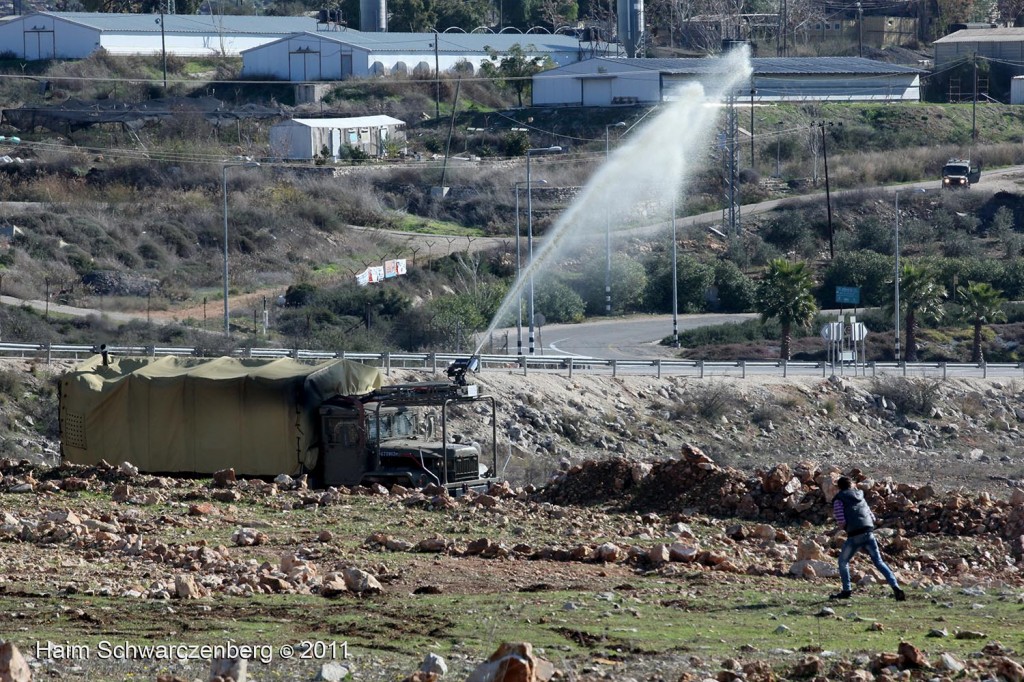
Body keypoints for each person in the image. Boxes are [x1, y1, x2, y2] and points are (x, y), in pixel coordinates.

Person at [829, 476, 906, 601]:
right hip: (869, 533)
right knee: (879, 562)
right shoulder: (860, 496)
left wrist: (847, 527)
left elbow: (841, 521)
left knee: (843, 562)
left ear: (839, 487)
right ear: (851, 485)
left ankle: (846, 590)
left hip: (854, 536)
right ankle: (895, 586)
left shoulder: (839, 499)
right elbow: (872, 517)